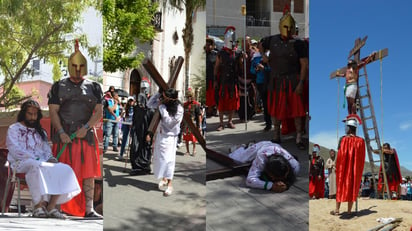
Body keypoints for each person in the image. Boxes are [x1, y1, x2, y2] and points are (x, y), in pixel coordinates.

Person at [48, 41, 103, 218]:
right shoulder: (58, 86)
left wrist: (87, 127)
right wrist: (61, 132)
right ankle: (57, 207)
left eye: (81, 67)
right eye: (75, 67)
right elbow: (53, 112)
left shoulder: (95, 87)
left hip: (86, 136)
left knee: (89, 173)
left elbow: (99, 112)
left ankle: (89, 209)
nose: (78, 71)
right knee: (61, 171)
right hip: (65, 136)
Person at [6, 100, 81, 219]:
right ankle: (38, 206)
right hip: (21, 162)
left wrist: (51, 159)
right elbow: (14, 148)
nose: (32, 117)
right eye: (30, 114)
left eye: (35, 115)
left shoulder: (41, 132)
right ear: (23, 114)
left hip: (42, 162)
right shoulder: (14, 129)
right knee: (35, 165)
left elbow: (47, 151)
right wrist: (36, 159)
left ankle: (51, 207)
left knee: (63, 168)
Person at [258, 6, 309, 149]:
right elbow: (261, 44)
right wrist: (264, 56)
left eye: (290, 26)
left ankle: (299, 137)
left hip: (293, 81)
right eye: (285, 26)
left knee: (297, 111)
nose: (287, 29)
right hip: (276, 80)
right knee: (276, 109)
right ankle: (276, 135)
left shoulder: (299, 43)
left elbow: (304, 64)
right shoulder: (271, 40)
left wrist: (301, 83)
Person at [147, 88, 184, 196]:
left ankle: (170, 184)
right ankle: (164, 178)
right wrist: (158, 93)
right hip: (160, 135)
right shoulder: (163, 105)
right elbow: (149, 104)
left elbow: (169, 123)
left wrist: (162, 108)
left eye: (164, 98)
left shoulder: (179, 109)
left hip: (170, 137)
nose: (162, 100)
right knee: (159, 159)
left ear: (171, 99)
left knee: (169, 160)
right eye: (162, 97)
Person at [229, 141, 299, 192]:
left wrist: (286, 185)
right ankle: (241, 147)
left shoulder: (295, 166)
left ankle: (250, 146)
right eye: (274, 178)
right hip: (260, 148)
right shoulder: (261, 159)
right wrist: (270, 186)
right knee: (236, 158)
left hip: (274, 146)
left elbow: (291, 179)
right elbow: (250, 180)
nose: (276, 180)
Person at [330, 114, 365, 218]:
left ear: (349, 128)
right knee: (352, 187)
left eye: (346, 127)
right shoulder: (361, 141)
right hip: (354, 170)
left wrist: (337, 166)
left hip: (344, 169)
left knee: (341, 186)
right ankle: (349, 212)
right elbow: (361, 158)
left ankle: (337, 210)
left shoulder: (343, 139)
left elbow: (340, 154)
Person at [214, 26, 240, 131]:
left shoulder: (237, 53)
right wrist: (215, 80)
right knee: (221, 103)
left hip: (233, 81)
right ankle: (221, 123)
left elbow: (240, 66)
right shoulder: (221, 53)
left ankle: (230, 121)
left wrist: (243, 58)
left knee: (233, 102)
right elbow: (216, 67)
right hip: (223, 81)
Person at [129, 93, 155, 176]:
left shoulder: (150, 111)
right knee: (134, 149)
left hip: (146, 134)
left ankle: (145, 167)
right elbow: (134, 119)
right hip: (137, 133)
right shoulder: (137, 109)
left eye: (141, 102)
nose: (139, 104)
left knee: (145, 150)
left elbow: (152, 124)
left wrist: (150, 134)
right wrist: (132, 127)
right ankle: (136, 167)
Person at [250, 43, 272, 131]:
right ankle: (268, 123)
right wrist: (256, 69)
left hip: (271, 83)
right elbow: (252, 70)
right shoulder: (256, 58)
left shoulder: (271, 56)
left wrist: (265, 69)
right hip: (261, 83)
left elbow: (274, 69)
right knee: (265, 104)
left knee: (272, 103)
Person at [182, 89, 201, 156]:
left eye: (190, 96)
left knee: (193, 138)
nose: (189, 98)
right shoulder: (184, 105)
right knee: (186, 138)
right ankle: (187, 151)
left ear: (192, 96)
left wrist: (199, 126)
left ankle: (194, 150)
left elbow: (198, 115)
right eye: (188, 96)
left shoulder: (197, 104)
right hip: (186, 124)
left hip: (193, 124)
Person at [205, 37, 218, 117]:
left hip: (212, 78)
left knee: (213, 95)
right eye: (206, 44)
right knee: (208, 95)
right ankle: (209, 110)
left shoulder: (215, 54)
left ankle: (212, 109)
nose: (208, 46)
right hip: (205, 78)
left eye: (209, 45)